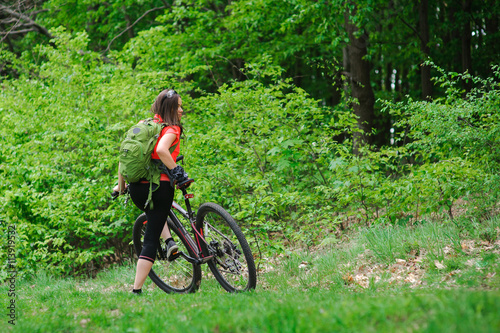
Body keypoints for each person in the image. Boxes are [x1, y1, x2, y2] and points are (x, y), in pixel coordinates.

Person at [113, 89, 189, 294]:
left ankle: (170, 241)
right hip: (159, 188)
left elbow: (124, 157)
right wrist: (177, 173)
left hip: (137, 189)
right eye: (178, 106)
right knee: (150, 239)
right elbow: (162, 150)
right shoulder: (172, 128)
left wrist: (121, 187)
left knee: (155, 214)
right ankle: (136, 290)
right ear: (170, 109)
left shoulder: (145, 126)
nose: (182, 110)